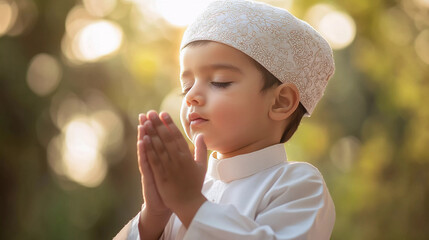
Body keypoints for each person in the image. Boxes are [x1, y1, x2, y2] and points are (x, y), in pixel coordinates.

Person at [114, 0, 336, 239]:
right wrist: (155, 214)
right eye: (186, 86)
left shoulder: (298, 185)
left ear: (280, 101)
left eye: (220, 81)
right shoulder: (185, 192)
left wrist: (192, 205)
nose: (192, 97)